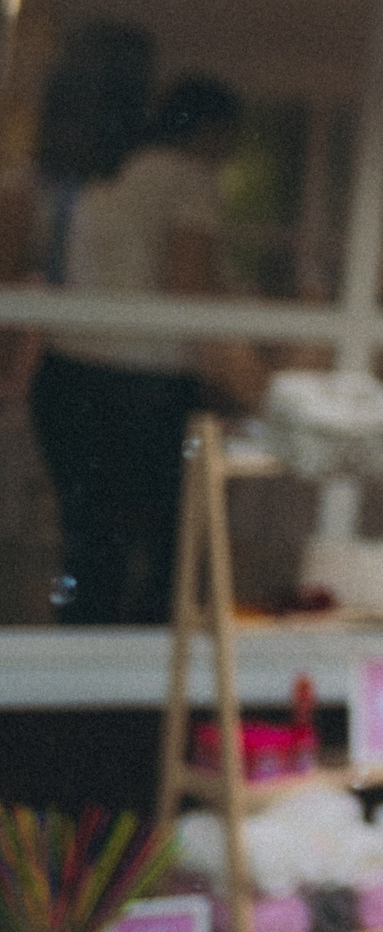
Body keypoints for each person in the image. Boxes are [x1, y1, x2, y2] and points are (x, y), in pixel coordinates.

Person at [31, 75, 264, 625]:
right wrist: (247, 373)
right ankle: (144, 684)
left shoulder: (115, 176)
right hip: (138, 387)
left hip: (68, 373)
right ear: (211, 130)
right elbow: (188, 283)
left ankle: (74, 683)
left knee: (93, 546)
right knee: (168, 544)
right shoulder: (188, 178)